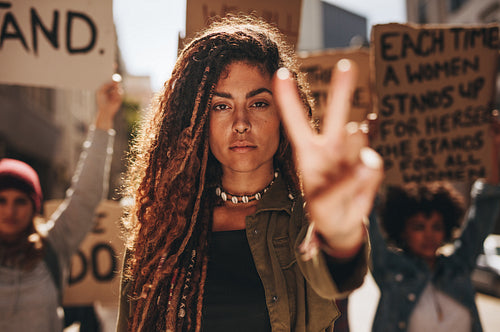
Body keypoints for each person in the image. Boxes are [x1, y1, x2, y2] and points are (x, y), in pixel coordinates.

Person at [116, 15, 383, 332]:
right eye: (221, 106)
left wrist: (340, 239)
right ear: (199, 122)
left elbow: (335, 277)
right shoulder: (162, 230)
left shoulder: (306, 217)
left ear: (281, 114)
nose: (241, 122)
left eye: (258, 103)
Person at [0, 80, 122, 332]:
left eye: (20, 201)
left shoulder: (52, 246)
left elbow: (85, 195)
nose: (9, 211)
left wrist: (104, 115)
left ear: (34, 206)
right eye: (1, 201)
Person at [368, 117, 500, 332]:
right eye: (419, 227)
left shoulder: (459, 267)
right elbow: (367, 211)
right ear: (402, 229)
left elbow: (486, 203)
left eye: (436, 226)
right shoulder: (389, 269)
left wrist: (493, 144)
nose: (429, 235)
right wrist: (368, 147)